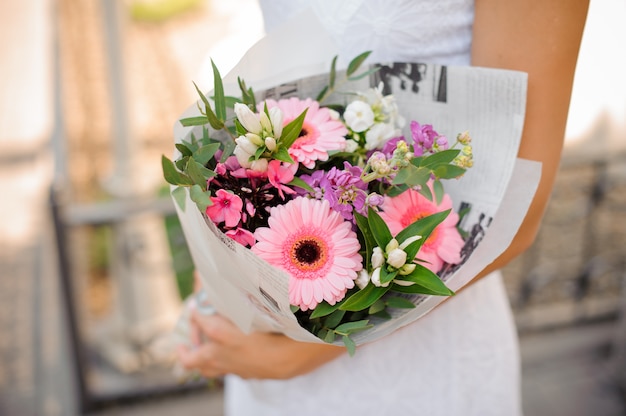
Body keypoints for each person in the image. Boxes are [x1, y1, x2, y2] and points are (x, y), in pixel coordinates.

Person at [177, 0, 589, 414]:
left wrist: (303, 353)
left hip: (426, 354)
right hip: (270, 358)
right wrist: (221, 261)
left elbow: (519, 203)